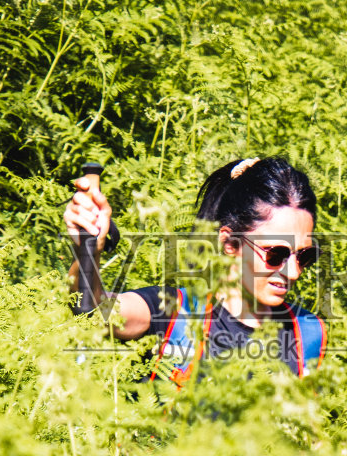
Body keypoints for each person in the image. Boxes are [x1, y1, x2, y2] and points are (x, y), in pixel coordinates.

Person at [63, 156, 325, 382]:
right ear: (229, 243)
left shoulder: (308, 335)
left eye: (304, 256)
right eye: (276, 254)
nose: (293, 272)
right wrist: (89, 250)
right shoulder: (173, 314)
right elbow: (93, 311)